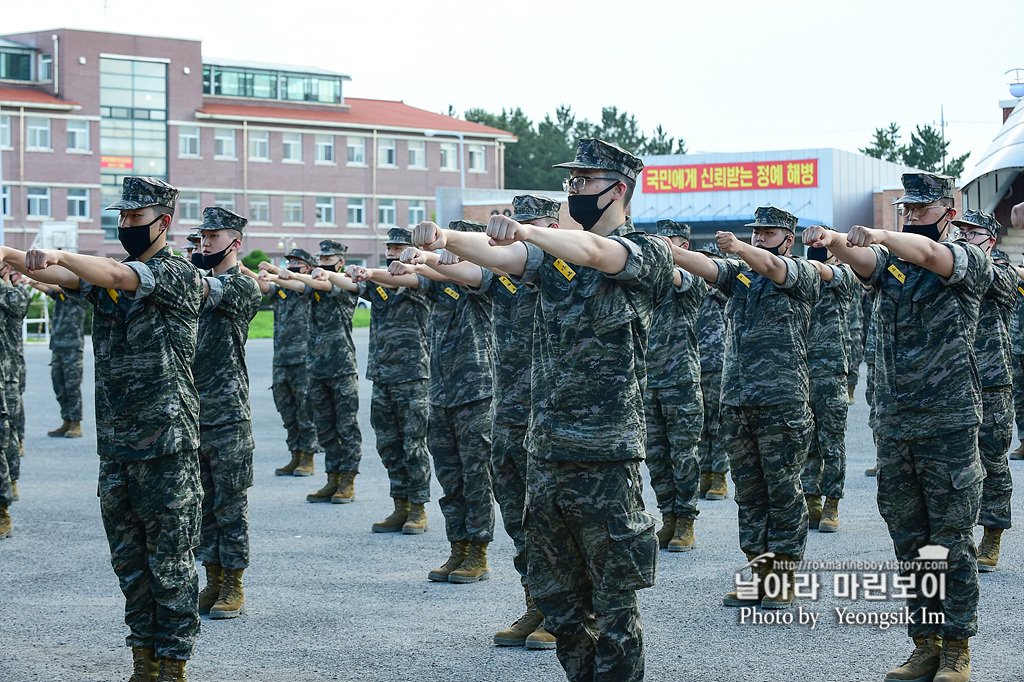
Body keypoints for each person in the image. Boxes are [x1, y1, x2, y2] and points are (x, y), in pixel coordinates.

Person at [413, 138, 671, 681]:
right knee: (561, 602)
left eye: (584, 182)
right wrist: (447, 237)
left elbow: (597, 254)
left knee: (615, 603)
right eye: (570, 182)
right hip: (547, 450)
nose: (573, 190)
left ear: (618, 189)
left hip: (606, 456)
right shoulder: (550, 261)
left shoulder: (646, 253)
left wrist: (529, 229)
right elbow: (502, 257)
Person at [0, 176, 204, 682]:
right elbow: (73, 278)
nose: (125, 225)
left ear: (164, 221)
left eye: (134, 218)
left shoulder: (178, 274)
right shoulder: (109, 278)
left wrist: (62, 254)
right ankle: (144, 661)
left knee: (171, 564)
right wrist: (12, 252)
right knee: (129, 564)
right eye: (121, 217)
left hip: (166, 447)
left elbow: (113, 272)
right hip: (117, 448)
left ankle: (174, 665)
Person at [803, 172, 986, 682]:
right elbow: (864, 260)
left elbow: (928, 256)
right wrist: (834, 240)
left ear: (948, 213)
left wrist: (883, 233)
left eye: (921, 210)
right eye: (905, 210)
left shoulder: (968, 260)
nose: (911, 217)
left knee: (950, 543)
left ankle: (956, 648)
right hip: (897, 427)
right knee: (911, 544)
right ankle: (924, 643)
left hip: (948, 426)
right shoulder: (891, 265)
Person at [673, 206, 818, 610]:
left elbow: (771, 265)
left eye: (767, 234)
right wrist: (665, 250)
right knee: (750, 494)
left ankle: (784, 574)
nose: (758, 239)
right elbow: (704, 265)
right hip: (737, 402)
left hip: (782, 402)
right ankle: (759, 571)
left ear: (788, 240)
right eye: (755, 233)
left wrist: (737, 247)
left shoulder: (799, 274)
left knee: (783, 490)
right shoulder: (741, 276)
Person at [397, 221, 497, 585]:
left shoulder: (482, 279)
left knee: (476, 478)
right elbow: (412, 277)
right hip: (440, 393)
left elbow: (461, 271)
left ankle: (479, 552)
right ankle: (458, 546)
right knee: (450, 478)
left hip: (476, 393)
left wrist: (431, 257)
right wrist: (413, 262)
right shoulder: (438, 286)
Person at [191, 207, 261, 620]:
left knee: (230, 503)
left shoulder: (241, 286)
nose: (204, 245)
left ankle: (233, 582)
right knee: (201, 502)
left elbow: (204, 290)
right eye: (201, 238)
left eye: (212, 238)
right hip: (193, 410)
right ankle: (212, 577)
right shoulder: (202, 281)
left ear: (235, 243)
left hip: (228, 412)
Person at [344, 228, 432, 536]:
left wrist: (370, 272)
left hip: (413, 376)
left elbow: (406, 277)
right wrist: (354, 271)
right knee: (388, 444)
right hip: (381, 376)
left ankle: (419, 507)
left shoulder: (423, 280)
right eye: (390, 248)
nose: (393, 252)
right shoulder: (379, 284)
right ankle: (401, 504)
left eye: (399, 248)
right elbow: (350, 284)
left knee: (414, 446)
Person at [267, 240, 362, 504]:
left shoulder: (342, 282)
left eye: (329, 258)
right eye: (321, 257)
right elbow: (300, 286)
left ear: (340, 261)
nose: (324, 261)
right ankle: (332, 479)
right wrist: (280, 276)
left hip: (341, 368)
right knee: (325, 428)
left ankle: (348, 481)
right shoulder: (312, 282)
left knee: (346, 428)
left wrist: (296, 274)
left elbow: (321, 283)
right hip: (316, 369)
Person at [950, 212, 1014, 573]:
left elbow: (987, 277)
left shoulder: (1000, 271)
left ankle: (992, 535)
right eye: (961, 232)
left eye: (972, 233)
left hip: (991, 380)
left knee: (992, 459)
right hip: (956, 379)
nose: (963, 238)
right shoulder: (951, 264)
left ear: (989, 240)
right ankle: (958, 535)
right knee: (958, 461)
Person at [644, 220, 706, 553]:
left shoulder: (691, 280)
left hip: (680, 381)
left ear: (684, 247)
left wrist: (661, 255)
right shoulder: (646, 283)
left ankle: (686, 520)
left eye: (672, 243)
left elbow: (677, 275)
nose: (665, 248)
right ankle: (667, 515)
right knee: (655, 457)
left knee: (683, 456)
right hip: (647, 382)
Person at [242, 248, 319, 476]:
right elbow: (265, 286)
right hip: (282, 359)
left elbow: (294, 282)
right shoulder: (282, 289)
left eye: (298, 262)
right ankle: (294, 453)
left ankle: (308, 457)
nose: (293, 265)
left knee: (304, 410)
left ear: (308, 268)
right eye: (290, 262)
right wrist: (245, 270)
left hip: (303, 359)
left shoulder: (308, 286)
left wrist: (275, 270)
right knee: (286, 409)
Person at [801, 227, 856, 532]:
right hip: (801, 372)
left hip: (831, 373)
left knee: (832, 441)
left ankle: (832, 502)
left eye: (822, 250)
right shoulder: (799, 280)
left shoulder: (843, 278)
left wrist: (818, 260)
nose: (816, 258)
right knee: (807, 441)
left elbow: (827, 272)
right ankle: (811, 499)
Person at [28, 280, 89, 439]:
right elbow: (47, 290)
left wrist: (41, 280)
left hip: (73, 347)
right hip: (57, 346)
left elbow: (59, 287)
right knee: (59, 386)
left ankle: (76, 423)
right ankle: (66, 420)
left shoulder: (80, 296)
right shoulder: (60, 296)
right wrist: (29, 281)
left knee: (72, 386)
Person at [695, 243, 730, 501]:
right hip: (694, 364)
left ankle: (720, 475)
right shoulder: (694, 290)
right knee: (701, 424)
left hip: (718, 363)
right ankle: (705, 473)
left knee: (718, 422)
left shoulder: (724, 292)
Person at [0, 264, 31, 499]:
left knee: (7, 431)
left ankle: (11, 484)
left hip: (8, 372)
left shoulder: (16, 294)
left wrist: (6, 282)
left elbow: (17, 307)